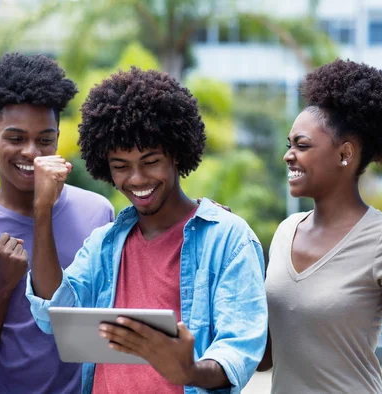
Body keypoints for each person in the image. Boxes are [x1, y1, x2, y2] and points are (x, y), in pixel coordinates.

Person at [26, 67, 268, 394]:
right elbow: (52, 312)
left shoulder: (228, 239)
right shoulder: (104, 245)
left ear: (177, 155)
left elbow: (239, 348)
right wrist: (42, 211)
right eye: (121, 167)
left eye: (151, 161)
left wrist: (190, 370)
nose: (137, 179)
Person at [260, 59, 382, 393]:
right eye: (289, 145)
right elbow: (264, 357)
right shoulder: (284, 233)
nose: (289, 155)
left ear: (345, 154)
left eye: (301, 145)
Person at [0, 52, 114, 393]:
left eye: (45, 139)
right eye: (16, 138)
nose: (32, 152)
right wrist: (2, 285)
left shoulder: (98, 213)